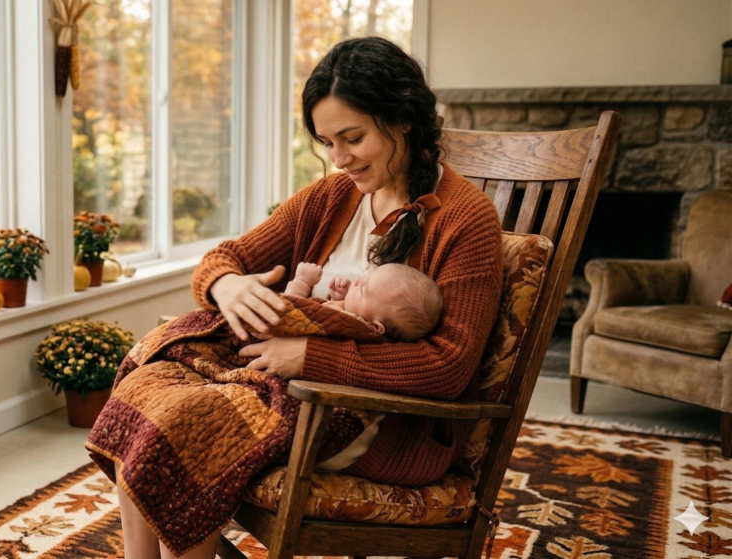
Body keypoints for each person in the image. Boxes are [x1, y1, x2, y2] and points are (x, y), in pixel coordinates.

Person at [89, 36, 503, 559]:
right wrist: (228, 285)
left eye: (351, 137)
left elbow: (448, 368)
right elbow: (224, 257)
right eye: (327, 142)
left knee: (186, 428)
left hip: (378, 421)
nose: (338, 158)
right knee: (150, 388)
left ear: (401, 119)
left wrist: (309, 356)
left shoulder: (467, 220)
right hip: (288, 393)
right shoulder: (331, 197)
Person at [283, 261, 443, 341]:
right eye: (365, 279)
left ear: (375, 326)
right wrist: (341, 300)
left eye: (362, 290)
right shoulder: (361, 329)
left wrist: (302, 282)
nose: (358, 280)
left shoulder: (343, 320)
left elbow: (288, 316)